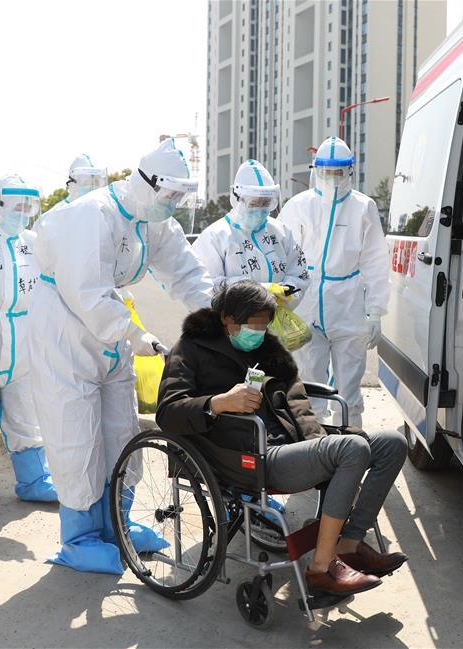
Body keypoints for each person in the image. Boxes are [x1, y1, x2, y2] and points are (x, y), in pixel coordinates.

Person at [28, 139, 214, 574]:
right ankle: (79, 539)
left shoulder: (154, 222)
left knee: (121, 426)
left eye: (179, 196)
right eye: (169, 194)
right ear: (145, 183)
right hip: (65, 325)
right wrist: (134, 333)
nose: (174, 203)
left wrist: (221, 315)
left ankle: (118, 523)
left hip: (109, 327)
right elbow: (85, 291)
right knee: (75, 431)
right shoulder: (92, 215)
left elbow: (185, 274)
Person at [156, 281, 408, 596]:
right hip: (243, 454)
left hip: (289, 442)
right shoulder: (191, 349)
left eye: (264, 324)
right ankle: (320, 568)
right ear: (227, 319)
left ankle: (349, 544)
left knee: (391, 444)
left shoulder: (267, 349)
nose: (259, 331)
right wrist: (219, 403)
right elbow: (168, 412)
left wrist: (315, 443)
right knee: (352, 448)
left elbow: (298, 401)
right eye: (254, 324)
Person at [280, 137, 389, 428]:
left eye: (338, 172)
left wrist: (375, 312)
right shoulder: (299, 205)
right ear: (316, 170)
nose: (332, 178)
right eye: (326, 171)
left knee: (349, 390)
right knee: (309, 386)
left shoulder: (363, 207)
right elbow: (283, 256)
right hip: (307, 299)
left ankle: (351, 446)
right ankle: (314, 453)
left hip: (348, 302)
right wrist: (282, 305)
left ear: (350, 172)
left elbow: (376, 261)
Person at [0, 176, 58, 503]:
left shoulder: (32, 241)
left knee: (26, 411)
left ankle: (34, 478)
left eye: (28, 207)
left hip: (23, 339)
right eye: (17, 207)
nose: (23, 213)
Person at [191, 159, 309, 304]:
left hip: (277, 319)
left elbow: (299, 273)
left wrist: (286, 292)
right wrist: (260, 292)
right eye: (253, 203)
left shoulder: (281, 232)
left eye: (265, 203)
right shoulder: (215, 236)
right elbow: (208, 284)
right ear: (237, 199)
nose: (260, 209)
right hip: (233, 322)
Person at [34, 155, 108, 226]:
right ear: (72, 184)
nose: (93, 188)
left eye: (97, 183)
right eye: (87, 182)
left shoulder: (108, 216)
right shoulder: (51, 219)